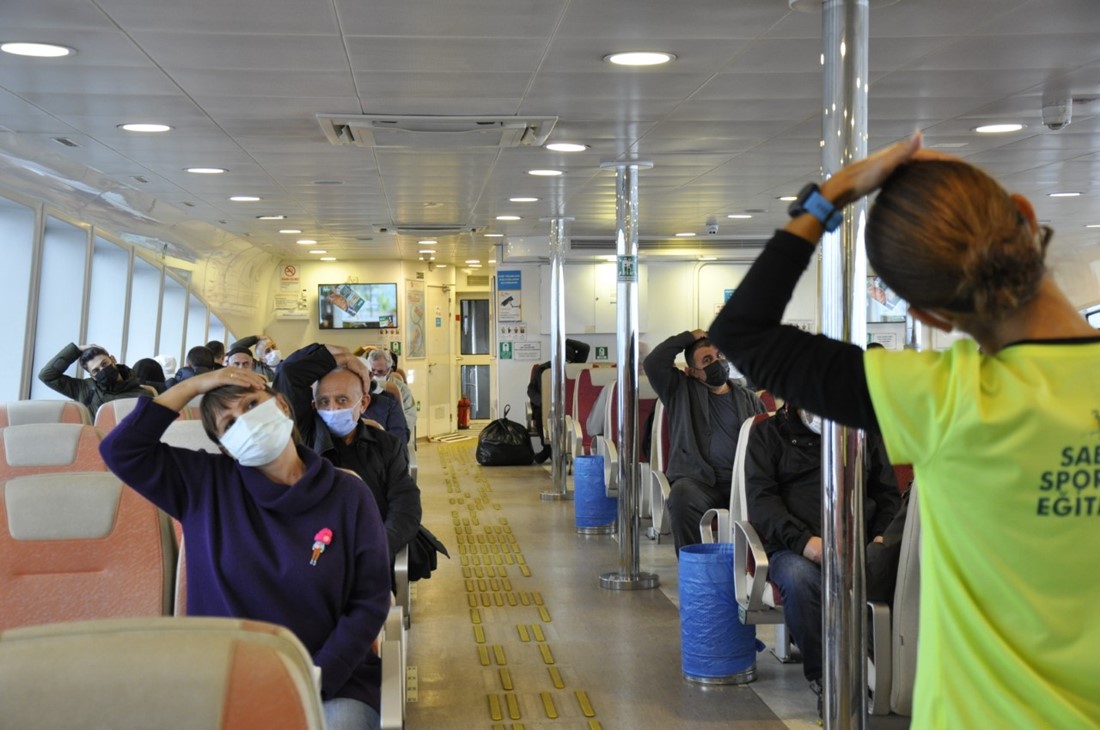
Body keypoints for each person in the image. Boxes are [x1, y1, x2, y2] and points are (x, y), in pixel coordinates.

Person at [710, 133, 1100, 727]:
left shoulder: (943, 398)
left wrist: (832, 196)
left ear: (924, 314)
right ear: (1025, 215)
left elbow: (742, 332)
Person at [98, 367, 390, 730]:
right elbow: (121, 450)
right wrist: (195, 385)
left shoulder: (348, 494)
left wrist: (315, 675)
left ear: (282, 405)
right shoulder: (202, 485)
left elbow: (369, 600)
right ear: (225, 447)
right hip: (224, 678)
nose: (247, 423)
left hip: (329, 679)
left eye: (252, 405)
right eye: (230, 424)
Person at [744, 402, 899, 711]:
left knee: (904, 570)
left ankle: (891, 674)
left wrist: (881, 537)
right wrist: (804, 542)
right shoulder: (768, 435)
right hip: (795, 547)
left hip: (862, 542)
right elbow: (762, 503)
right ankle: (828, 678)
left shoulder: (865, 431)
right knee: (801, 580)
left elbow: (887, 494)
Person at [274, 343, 422, 563]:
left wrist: (377, 547)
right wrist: (340, 357)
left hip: (372, 547)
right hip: (314, 550)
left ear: (363, 403)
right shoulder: (304, 437)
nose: (333, 409)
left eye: (342, 400)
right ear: (314, 405)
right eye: (324, 402)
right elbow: (289, 373)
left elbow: (405, 505)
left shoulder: (387, 446)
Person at [642, 329, 766, 553]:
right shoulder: (680, 390)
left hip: (744, 482)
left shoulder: (749, 399)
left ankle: (762, 565)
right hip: (699, 483)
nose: (717, 363)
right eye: (707, 360)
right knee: (681, 496)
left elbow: (769, 442)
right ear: (692, 372)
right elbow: (653, 363)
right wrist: (690, 337)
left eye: (720, 356)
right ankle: (696, 566)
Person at [38, 343, 153, 413]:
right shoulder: (84, 389)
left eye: (104, 364)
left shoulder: (142, 394)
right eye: (96, 370)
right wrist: (77, 349)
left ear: (113, 359)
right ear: (92, 376)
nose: (103, 370)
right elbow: (47, 376)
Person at [527, 338, 591, 463]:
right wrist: (542, 401)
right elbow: (531, 390)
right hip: (547, 405)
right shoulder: (543, 369)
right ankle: (548, 448)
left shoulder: (575, 366)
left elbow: (585, 347)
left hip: (571, 404)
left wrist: (565, 341)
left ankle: (551, 452)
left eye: (568, 361)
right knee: (541, 414)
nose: (566, 364)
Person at [365, 348, 416, 442]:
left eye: (380, 372)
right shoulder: (363, 387)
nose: (375, 374)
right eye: (372, 370)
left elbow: (409, 416)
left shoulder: (401, 389)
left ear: (389, 370)